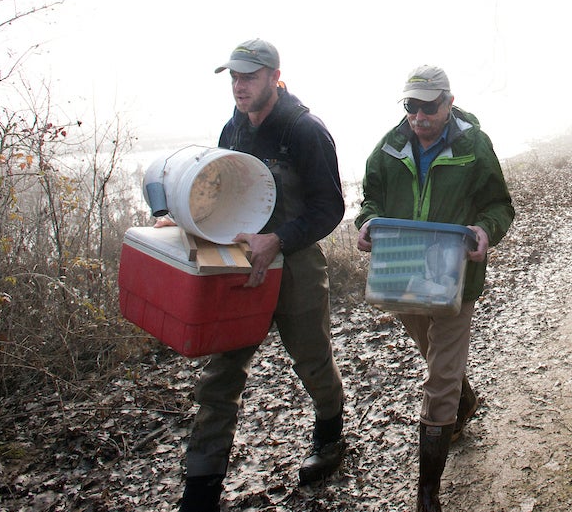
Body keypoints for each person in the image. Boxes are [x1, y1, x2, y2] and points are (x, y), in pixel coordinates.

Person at [178, 39, 348, 512]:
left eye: (249, 76)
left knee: (313, 361)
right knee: (221, 376)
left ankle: (330, 436)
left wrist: (280, 238)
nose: (239, 85)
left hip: (294, 265)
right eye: (233, 76)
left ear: (275, 76)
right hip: (238, 268)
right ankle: (200, 491)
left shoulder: (305, 130)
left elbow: (330, 208)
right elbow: (214, 189)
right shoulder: (233, 128)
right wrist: (182, 215)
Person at [355, 65, 515, 512]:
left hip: (453, 279)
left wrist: (485, 231)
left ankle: (427, 492)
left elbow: (498, 205)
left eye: (428, 106)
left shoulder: (474, 147)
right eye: (411, 106)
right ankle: (464, 401)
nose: (419, 116)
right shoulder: (387, 148)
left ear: (448, 102)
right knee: (435, 355)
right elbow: (370, 198)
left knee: (438, 376)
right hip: (401, 276)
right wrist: (366, 223)